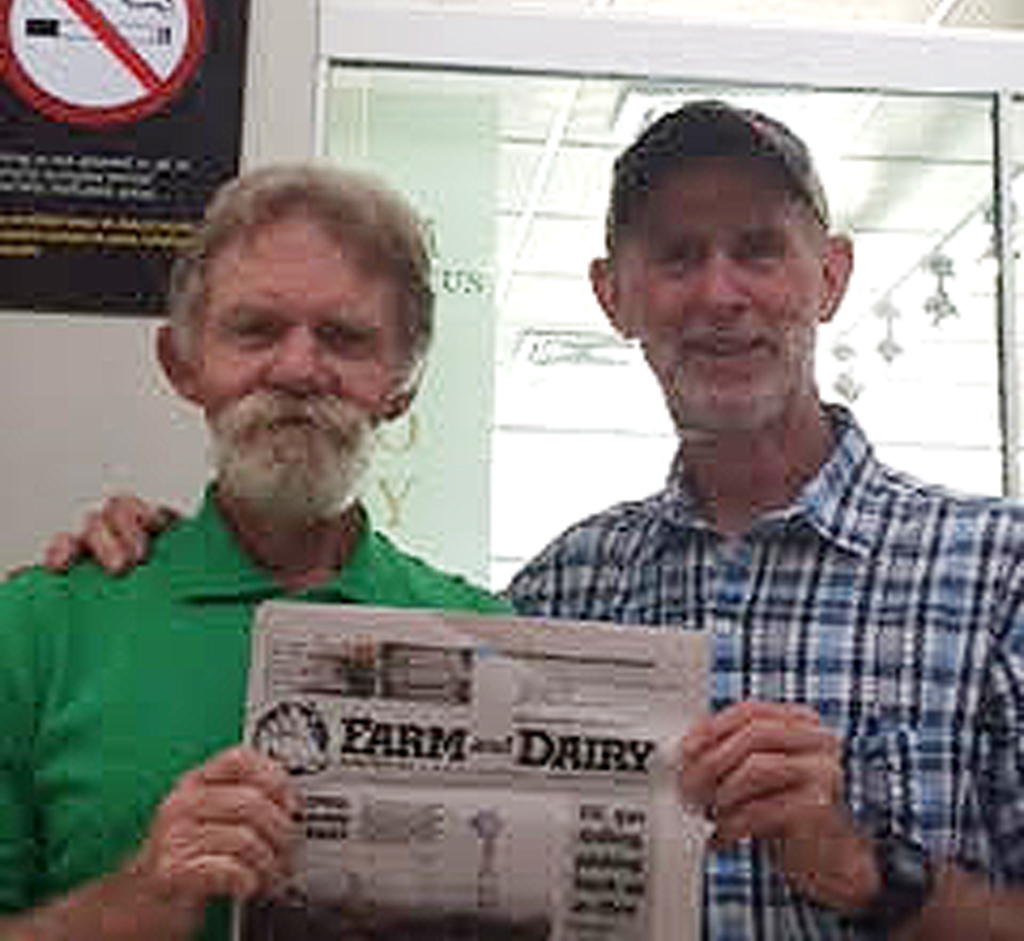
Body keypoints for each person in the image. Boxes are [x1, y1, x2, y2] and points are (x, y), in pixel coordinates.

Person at [41, 103, 1024, 938]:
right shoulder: (558, 592)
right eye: (676, 256)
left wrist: (866, 869)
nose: (720, 293)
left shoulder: (998, 574)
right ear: (614, 294)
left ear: (832, 276)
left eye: (759, 249)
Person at [0, 164, 506, 941]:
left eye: (345, 337)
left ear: (403, 383)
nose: (299, 369)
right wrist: (129, 901)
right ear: (183, 364)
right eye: (256, 329)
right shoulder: (33, 628)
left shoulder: (488, 634)